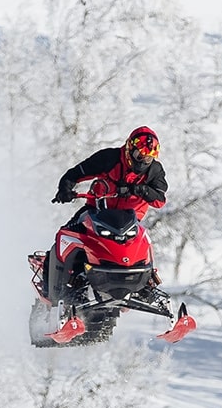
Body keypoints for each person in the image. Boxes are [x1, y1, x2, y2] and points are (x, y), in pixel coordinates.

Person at [45, 127, 169, 305]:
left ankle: (146, 285)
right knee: (64, 237)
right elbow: (77, 173)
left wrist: (140, 190)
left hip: (130, 219)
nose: (143, 161)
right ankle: (56, 290)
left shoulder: (154, 170)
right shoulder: (109, 158)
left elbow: (160, 199)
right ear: (129, 149)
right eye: (140, 156)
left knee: (143, 242)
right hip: (96, 212)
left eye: (148, 157)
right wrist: (65, 189)